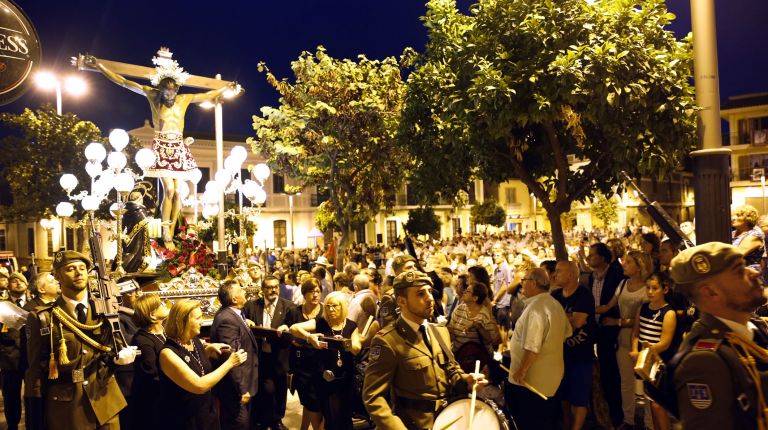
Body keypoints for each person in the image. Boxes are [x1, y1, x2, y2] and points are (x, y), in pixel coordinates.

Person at [85, 49, 241, 247]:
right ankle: (166, 229)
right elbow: (124, 82)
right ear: (161, 90)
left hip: (178, 145)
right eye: (167, 92)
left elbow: (208, 94)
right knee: (168, 188)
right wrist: (99, 65)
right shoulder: (152, 96)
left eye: (174, 91)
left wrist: (226, 87)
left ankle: (174, 228)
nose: (171, 95)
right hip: (162, 145)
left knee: (178, 192)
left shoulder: (184, 100)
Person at [26, 250, 138, 430]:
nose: (78, 273)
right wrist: (35, 414)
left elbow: (113, 346)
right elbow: (35, 370)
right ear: (58, 277)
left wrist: (118, 358)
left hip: (105, 399)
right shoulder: (44, 317)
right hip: (67, 406)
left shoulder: (105, 310)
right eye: (71, 269)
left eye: (83, 268)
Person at [363, 270, 487, 430]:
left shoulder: (440, 331)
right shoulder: (387, 341)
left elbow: (450, 368)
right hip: (413, 424)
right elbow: (373, 397)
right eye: (420, 294)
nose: (429, 298)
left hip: (447, 419)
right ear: (402, 301)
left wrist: (466, 380)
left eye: (429, 291)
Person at [666, 242, 768, 429]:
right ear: (711, 292)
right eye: (739, 270)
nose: (754, 272)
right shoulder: (704, 361)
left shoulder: (752, 328)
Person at [158, 299, 247, 430]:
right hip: (184, 419)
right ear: (183, 321)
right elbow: (199, 386)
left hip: (206, 412)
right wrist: (230, 363)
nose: (202, 321)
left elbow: (192, 361)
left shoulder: (194, 341)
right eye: (198, 318)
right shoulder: (167, 354)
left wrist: (208, 350)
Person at [507, 268, 571, 430]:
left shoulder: (537, 308)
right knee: (545, 421)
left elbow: (532, 346)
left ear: (533, 283)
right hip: (550, 378)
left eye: (524, 280)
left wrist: (522, 370)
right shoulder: (554, 304)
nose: (521, 284)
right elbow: (567, 332)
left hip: (532, 382)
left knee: (532, 422)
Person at [596, 250, 652, 429]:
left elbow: (643, 317)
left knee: (648, 383)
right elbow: (608, 306)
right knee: (626, 382)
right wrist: (587, 309)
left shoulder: (648, 287)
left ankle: (650, 423)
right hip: (623, 338)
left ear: (639, 266)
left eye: (628, 262)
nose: (624, 265)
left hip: (644, 337)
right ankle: (629, 419)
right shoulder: (623, 284)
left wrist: (617, 321)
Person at [291, 291, 362, 430]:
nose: (330, 309)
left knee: (345, 416)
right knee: (331, 417)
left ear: (342, 307)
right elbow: (294, 328)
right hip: (324, 379)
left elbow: (357, 348)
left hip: (345, 378)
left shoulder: (351, 326)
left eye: (334, 306)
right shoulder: (321, 323)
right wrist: (309, 337)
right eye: (328, 306)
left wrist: (343, 343)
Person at [243, 275, 296, 430]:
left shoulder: (289, 306)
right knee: (265, 389)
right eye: (269, 287)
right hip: (260, 354)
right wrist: (246, 321)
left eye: (275, 287)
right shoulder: (252, 306)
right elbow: (241, 319)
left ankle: (277, 419)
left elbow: (294, 328)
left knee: (280, 387)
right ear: (262, 290)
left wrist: (287, 328)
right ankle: (265, 419)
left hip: (279, 355)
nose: (273, 290)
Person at [551, 260, 597, 430]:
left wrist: (561, 318)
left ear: (570, 274)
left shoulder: (584, 295)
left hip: (581, 357)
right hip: (560, 356)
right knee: (563, 397)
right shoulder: (555, 295)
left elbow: (576, 323)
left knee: (579, 399)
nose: (555, 274)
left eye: (558, 271)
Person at [630, 272, 678, 430]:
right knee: (650, 402)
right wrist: (634, 350)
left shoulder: (669, 313)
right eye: (648, 288)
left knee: (659, 405)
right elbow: (636, 333)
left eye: (654, 288)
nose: (650, 292)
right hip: (644, 362)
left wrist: (644, 353)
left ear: (665, 290)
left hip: (659, 363)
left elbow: (665, 343)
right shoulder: (643, 308)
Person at [210, 280, 260, 430]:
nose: (245, 292)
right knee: (239, 424)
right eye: (241, 291)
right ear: (234, 299)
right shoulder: (228, 320)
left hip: (240, 385)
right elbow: (230, 357)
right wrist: (241, 389)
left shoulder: (233, 315)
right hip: (235, 389)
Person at [588, 242, 626, 426]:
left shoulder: (616, 275)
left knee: (613, 373)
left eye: (592, 255)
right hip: (598, 328)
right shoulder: (591, 277)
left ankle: (618, 414)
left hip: (613, 329)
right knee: (604, 371)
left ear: (603, 257)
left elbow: (615, 303)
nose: (589, 258)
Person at [288, 278, 324, 430]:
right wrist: (293, 340)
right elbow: (288, 332)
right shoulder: (295, 312)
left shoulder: (325, 312)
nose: (315, 295)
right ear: (304, 294)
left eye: (318, 291)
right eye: (311, 291)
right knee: (308, 401)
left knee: (315, 402)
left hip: (320, 362)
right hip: (300, 365)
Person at [129, 294, 169, 430]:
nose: (164, 304)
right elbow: (152, 374)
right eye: (160, 305)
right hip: (153, 402)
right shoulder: (142, 340)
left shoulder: (164, 332)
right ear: (152, 316)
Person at [447, 280, 501, 373]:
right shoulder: (460, 308)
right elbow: (451, 328)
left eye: (468, 291)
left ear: (475, 298)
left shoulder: (485, 315)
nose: (464, 292)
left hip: (477, 360)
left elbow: (493, 340)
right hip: (458, 356)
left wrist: (479, 327)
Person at [1, 273, 29, 430]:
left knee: (32, 396)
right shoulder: (2, 306)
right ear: (8, 286)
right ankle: (13, 425)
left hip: (31, 359)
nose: (18, 283)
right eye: (14, 281)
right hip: (9, 360)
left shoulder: (33, 304)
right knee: (11, 397)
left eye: (22, 281)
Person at [732, 204, 765, 272]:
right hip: (735, 274)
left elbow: (736, 255)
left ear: (748, 218)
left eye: (738, 215)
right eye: (734, 215)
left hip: (749, 277)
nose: (733, 218)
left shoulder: (754, 234)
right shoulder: (732, 233)